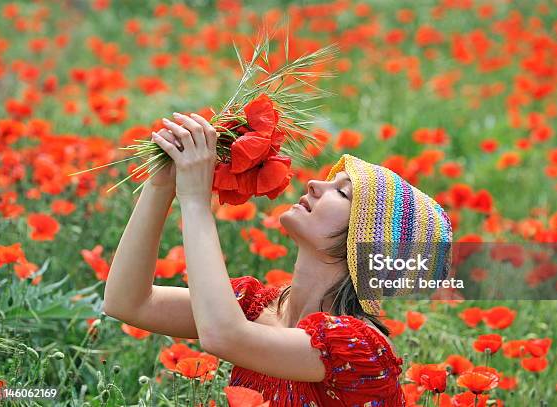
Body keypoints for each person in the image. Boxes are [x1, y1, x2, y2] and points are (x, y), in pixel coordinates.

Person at [103, 112, 452, 406]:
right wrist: (161, 184)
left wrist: (195, 199)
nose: (316, 184)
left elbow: (224, 336)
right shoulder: (258, 307)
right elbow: (128, 302)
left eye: (342, 192)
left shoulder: (358, 346)